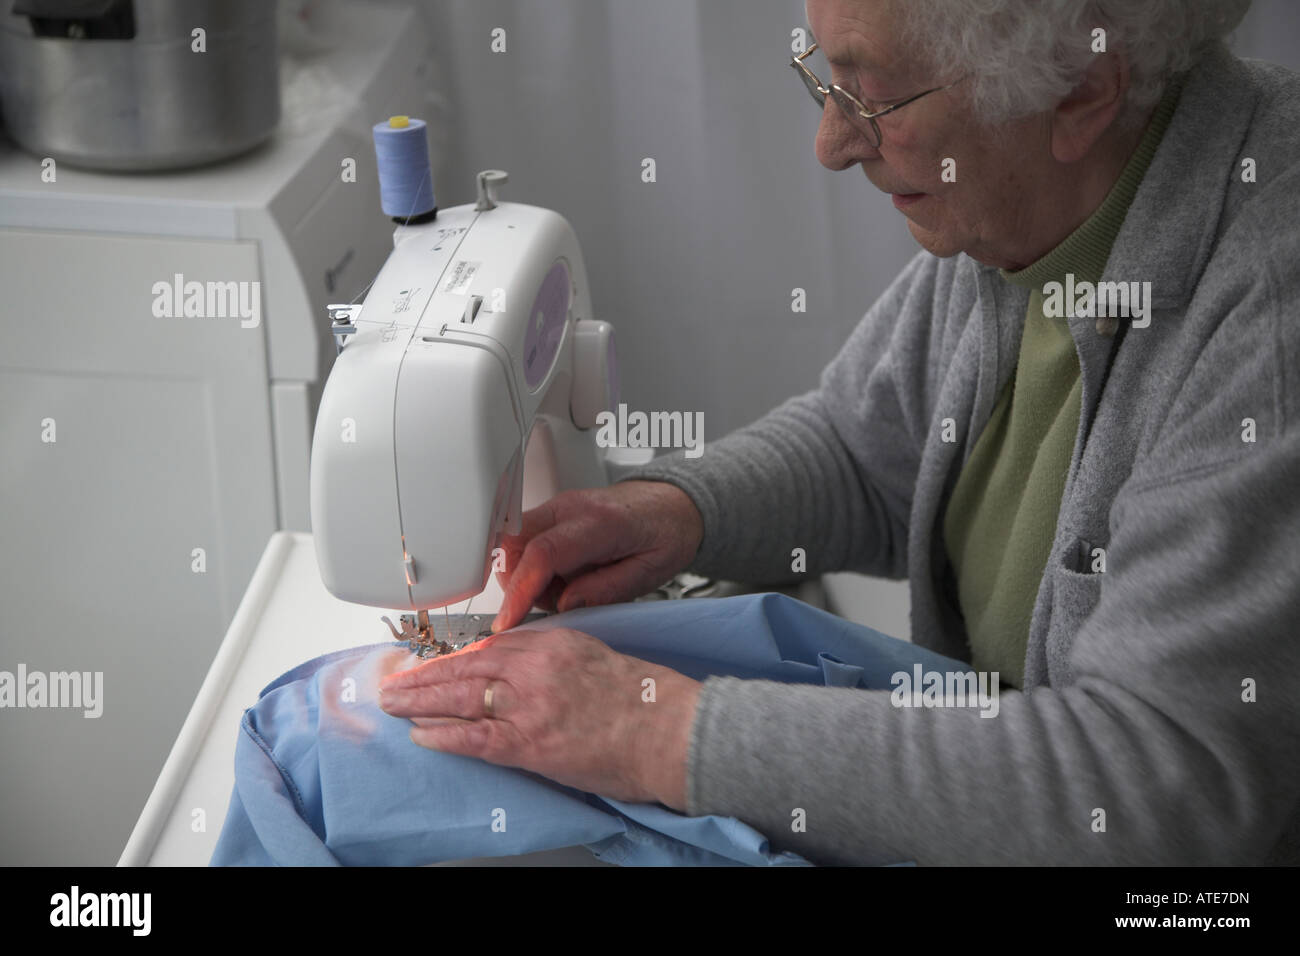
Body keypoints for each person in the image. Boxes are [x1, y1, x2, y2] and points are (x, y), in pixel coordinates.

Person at [378, 0, 1300, 865]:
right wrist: (674, 512)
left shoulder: (1265, 327)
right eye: (824, 76)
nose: (831, 142)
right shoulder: (1034, 208)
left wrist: (650, 731)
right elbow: (868, 455)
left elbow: (1151, 788)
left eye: (878, 96)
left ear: (1083, 89)